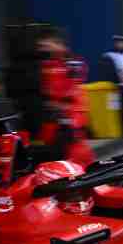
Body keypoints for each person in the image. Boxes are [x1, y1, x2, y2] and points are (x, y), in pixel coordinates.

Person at [37, 27, 96, 167]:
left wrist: (65, 111)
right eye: (42, 45)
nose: (43, 48)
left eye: (47, 44)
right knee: (53, 156)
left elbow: (72, 91)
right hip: (54, 118)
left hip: (71, 116)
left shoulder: (74, 63)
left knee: (76, 154)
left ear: (60, 44)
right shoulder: (47, 65)